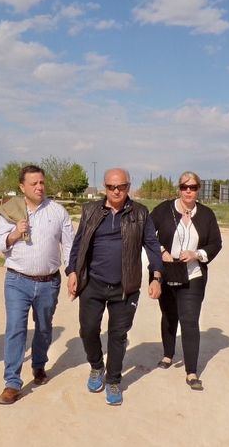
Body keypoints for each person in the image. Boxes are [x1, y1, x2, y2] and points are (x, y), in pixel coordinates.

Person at [66, 168, 163, 406]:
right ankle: (97, 366)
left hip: (125, 287)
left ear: (128, 187)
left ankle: (113, 380)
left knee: (118, 336)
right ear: (104, 188)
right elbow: (78, 245)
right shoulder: (90, 211)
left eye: (121, 186)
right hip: (93, 283)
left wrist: (156, 277)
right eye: (111, 187)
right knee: (88, 330)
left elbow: (152, 245)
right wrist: (71, 272)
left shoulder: (140, 213)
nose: (116, 191)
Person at [0, 165, 74, 405]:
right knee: (16, 329)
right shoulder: (11, 211)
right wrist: (15, 234)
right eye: (33, 184)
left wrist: (71, 272)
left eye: (42, 183)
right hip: (17, 280)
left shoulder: (58, 212)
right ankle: (12, 383)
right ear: (22, 187)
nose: (39, 187)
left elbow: (68, 245)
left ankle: (39, 365)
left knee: (44, 328)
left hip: (49, 283)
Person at [149, 171, 222, 391]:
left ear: (198, 189)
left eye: (193, 187)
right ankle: (168, 354)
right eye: (184, 187)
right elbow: (148, 234)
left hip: (193, 276)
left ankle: (191, 371)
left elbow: (215, 243)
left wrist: (197, 254)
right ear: (178, 188)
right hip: (167, 273)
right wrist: (161, 251)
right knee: (169, 316)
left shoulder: (206, 214)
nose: (188, 191)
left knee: (189, 321)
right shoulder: (164, 209)